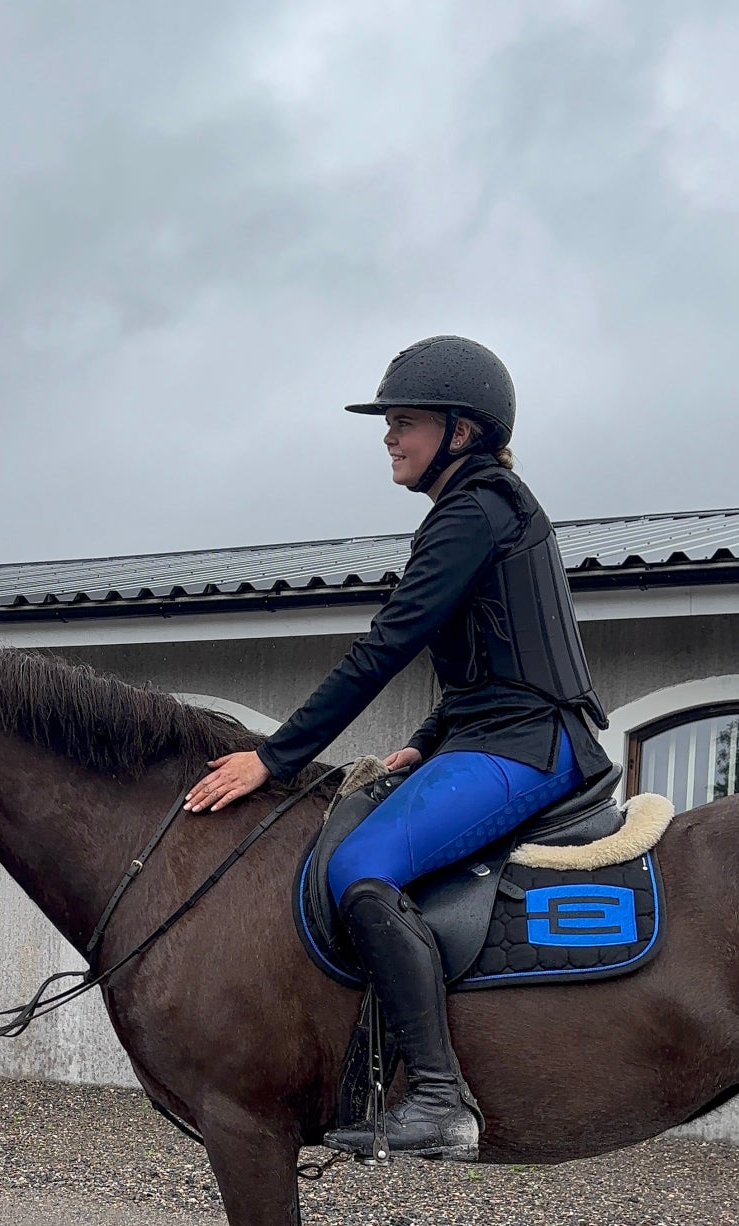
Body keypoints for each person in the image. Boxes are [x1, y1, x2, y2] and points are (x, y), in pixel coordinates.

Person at [183, 335, 612, 1162]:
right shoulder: (484, 508)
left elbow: (386, 647)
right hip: (493, 732)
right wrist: (425, 741)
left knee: (358, 865)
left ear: (460, 433)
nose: (388, 436)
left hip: (528, 745)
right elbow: (491, 662)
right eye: (388, 422)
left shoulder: (472, 511)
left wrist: (274, 757)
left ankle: (441, 1098)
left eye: (405, 421)